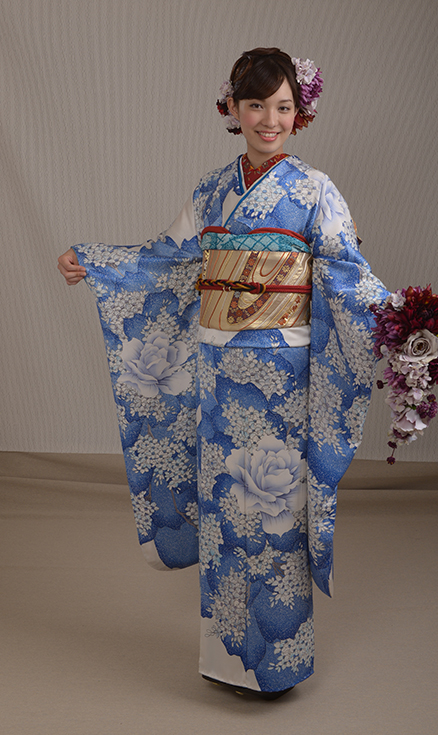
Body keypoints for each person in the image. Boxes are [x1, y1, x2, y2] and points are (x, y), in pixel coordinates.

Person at [58, 47, 388, 698]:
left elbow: (349, 276)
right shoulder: (212, 190)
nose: (270, 120)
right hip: (218, 379)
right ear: (232, 108)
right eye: (256, 105)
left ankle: (277, 661)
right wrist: (93, 260)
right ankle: (228, 659)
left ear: (300, 112)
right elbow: (165, 260)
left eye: (283, 107)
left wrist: (403, 319)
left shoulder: (314, 191)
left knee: (274, 511)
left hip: (281, 378)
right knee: (226, 511)